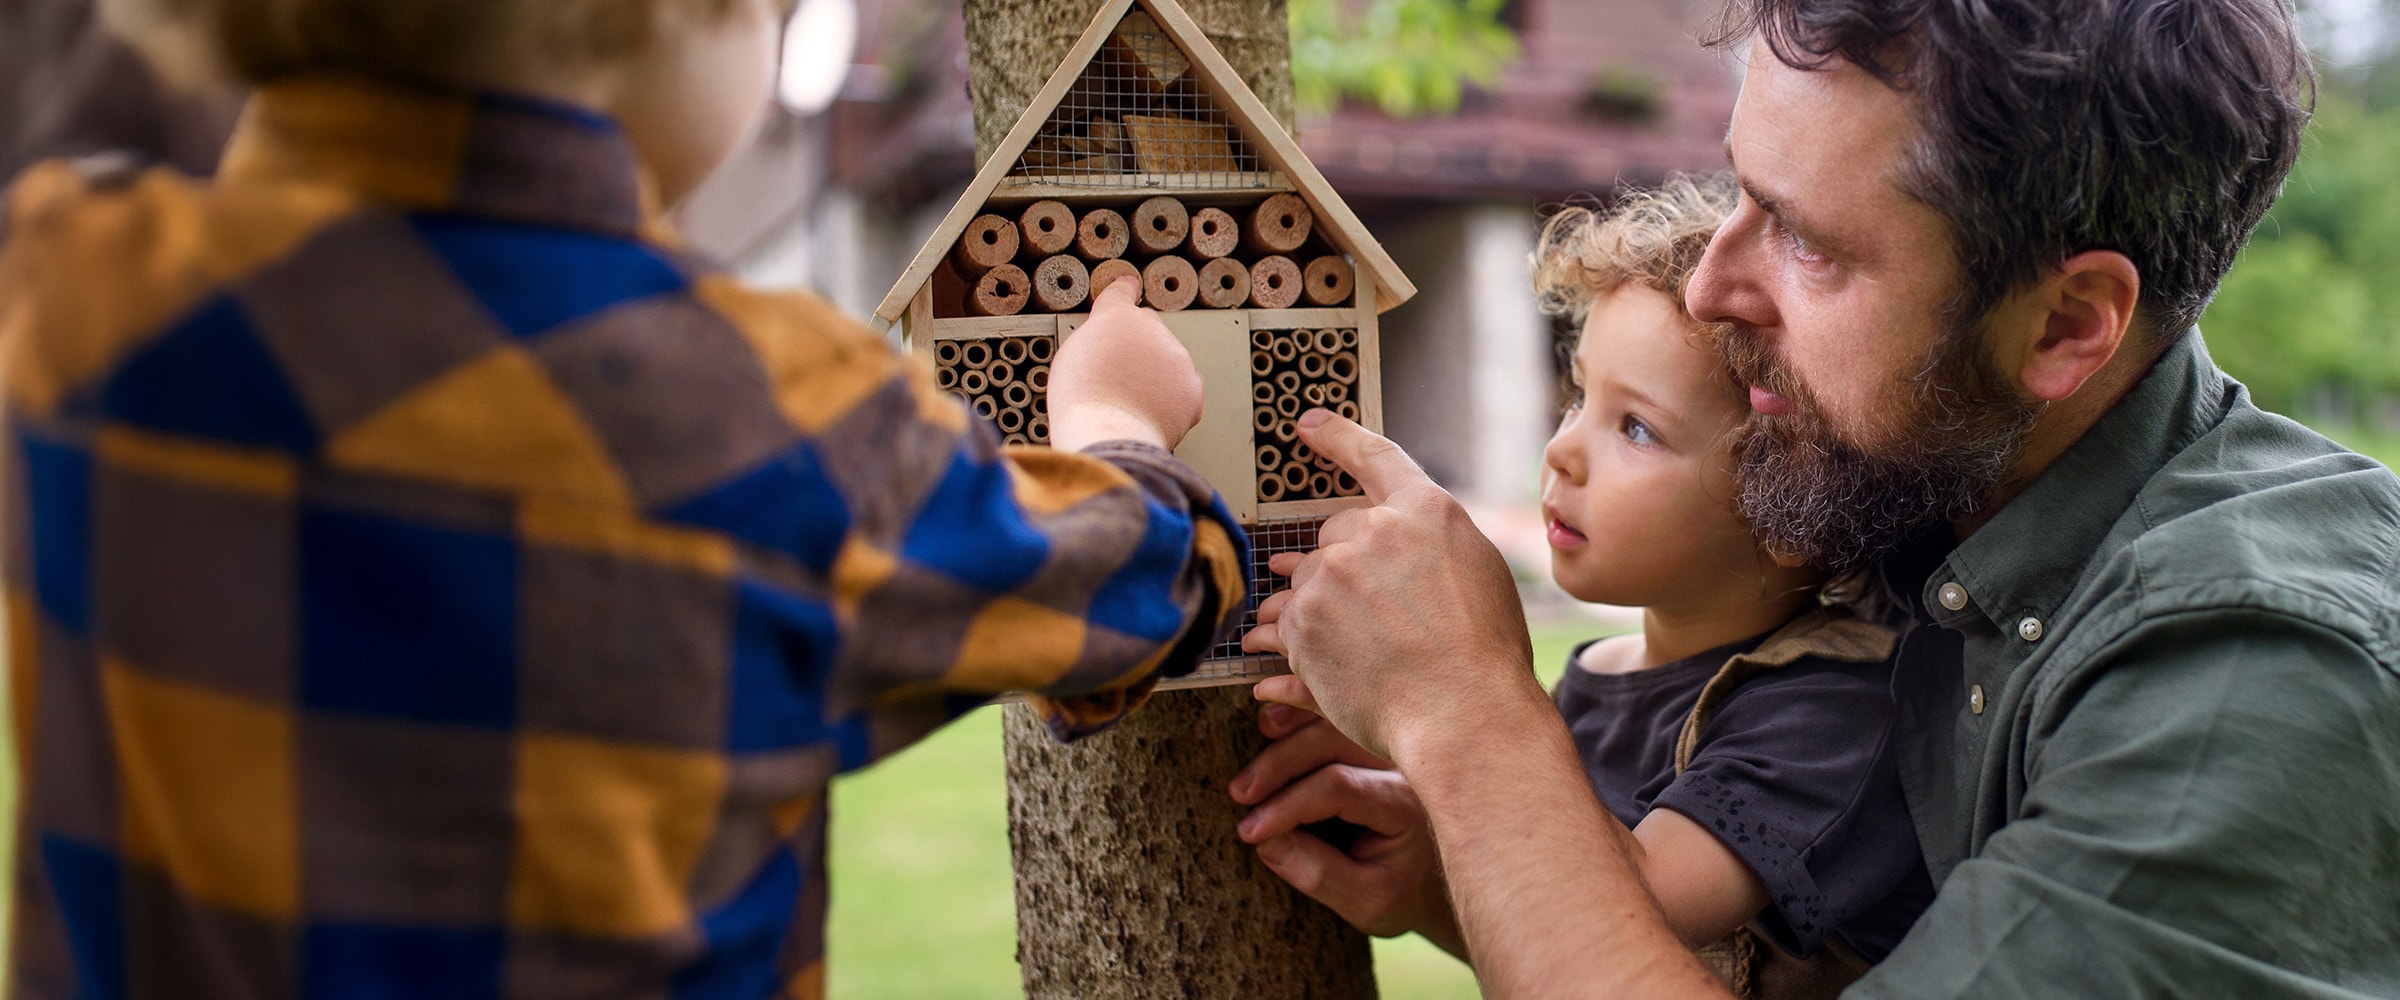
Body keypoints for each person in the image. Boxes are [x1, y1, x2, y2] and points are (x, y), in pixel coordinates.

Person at [0, 0, 1245, 995]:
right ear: (668, 18)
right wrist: (1116, 422)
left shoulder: (71, 294)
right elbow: (1151, 580)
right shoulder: (784, 414)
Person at [1234, 0, 2400, 996]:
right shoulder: (1910, 488)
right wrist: (1461, 874)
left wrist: (1465, 710)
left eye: (1807, 242)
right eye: (1743, 194)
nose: (1711, 283)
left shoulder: (2260, 673)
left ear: (2065, 323)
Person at [1236, 175, 1932, 994]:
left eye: (1636, 427)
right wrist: (1422, 884)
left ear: (1789, 516)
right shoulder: (1597, 675)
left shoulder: (1830, 715)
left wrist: (1441, 720)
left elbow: (1629, 908)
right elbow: (1543, 933)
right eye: (1577, 396)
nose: (1563, 450)